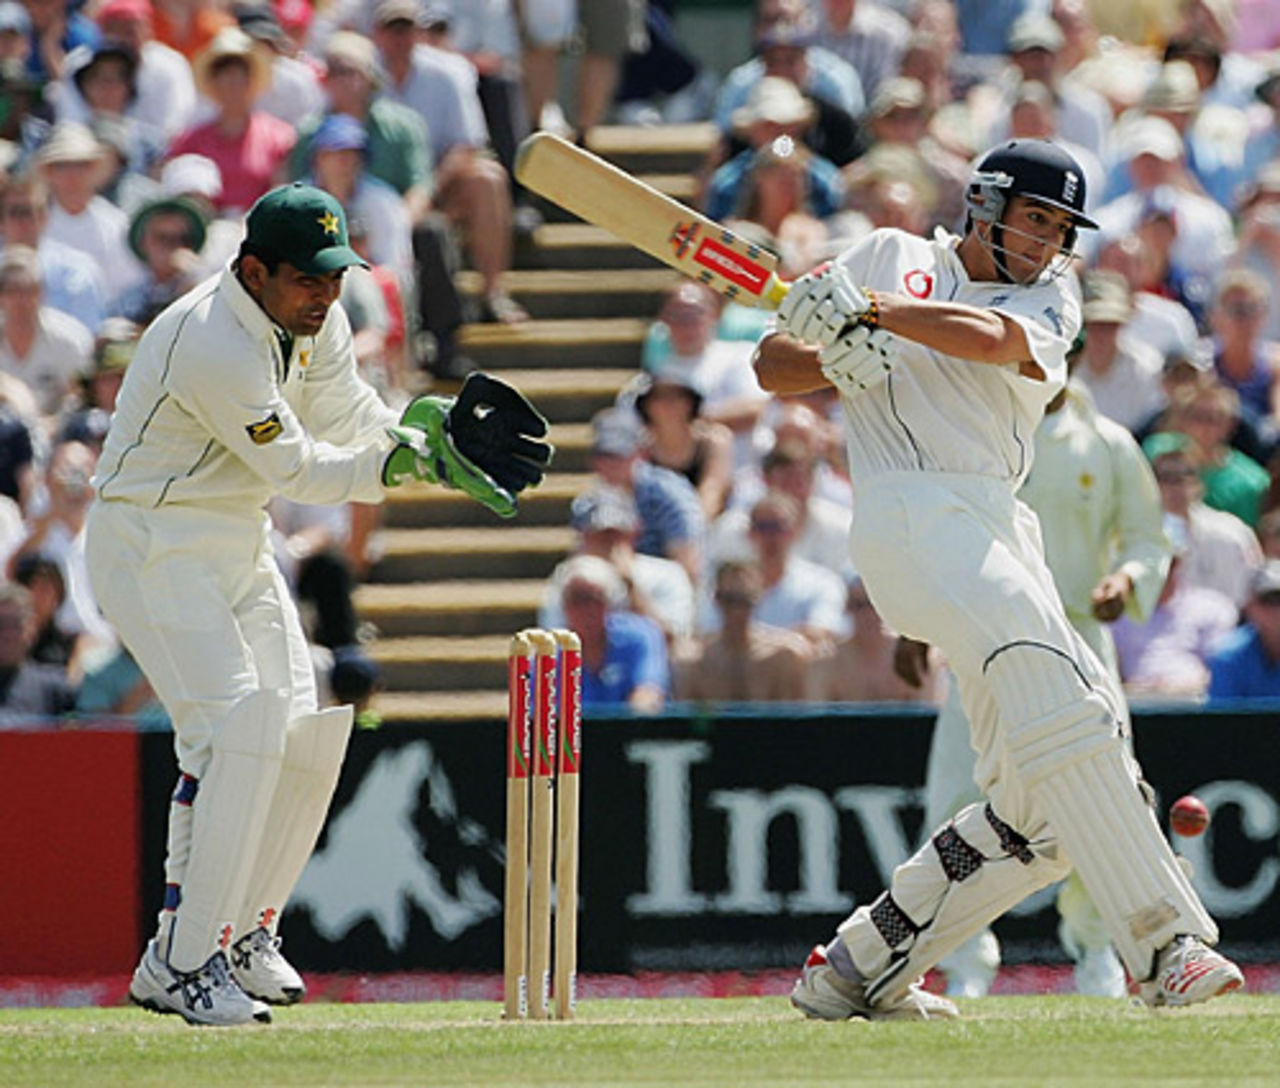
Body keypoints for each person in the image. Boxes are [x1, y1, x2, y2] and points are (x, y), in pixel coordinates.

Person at [754, 137, 1243, 1020]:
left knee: (1038, 816)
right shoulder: (891, 257)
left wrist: (874, 320)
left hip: (995, 524)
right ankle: (1165, 945)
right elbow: (768, 365)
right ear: (984, 205)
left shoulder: (1050, 298)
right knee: (1079, 710)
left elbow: (987, 338)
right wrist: (829, 354)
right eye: (1035, 218)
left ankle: (855, 968)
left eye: (1061, 227)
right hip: (908, 511)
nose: (1048, 241)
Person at [83, 183, 551, 1027]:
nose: (326, 296)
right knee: (235, 729)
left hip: (235, 538)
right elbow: (297, 468)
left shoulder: (316, 318)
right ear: (255, 271)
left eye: (335, 278)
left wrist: (419, 434)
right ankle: (182, 960)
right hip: (151, 544)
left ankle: (244, 933)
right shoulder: (211, 343)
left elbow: (348, 413)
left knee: (306, 728)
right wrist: (413, 469)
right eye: (308, 281)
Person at [914, 333, 1173, 999]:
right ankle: (963, 959)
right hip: (983, 639)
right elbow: (932, 533)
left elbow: (1148, 537)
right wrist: (910, 618)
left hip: (1082, 640)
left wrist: (1126, 578)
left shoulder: (1107, 442)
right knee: (958, 799)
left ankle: (1098, 952)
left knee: (1104, 797)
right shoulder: (976, 434)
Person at [672, 558, 812, 703]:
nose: (737, 611)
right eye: (729, 600)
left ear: (760, 597)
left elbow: (795, 716)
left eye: (745, 600)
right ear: (717, 600)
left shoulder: (783, 655)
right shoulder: (695, 659)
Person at [556, 553, 668, 713]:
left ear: (611, 602)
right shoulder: (548, 657)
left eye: (595, 599)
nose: (586, 609)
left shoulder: (640, 636)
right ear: (564, 606)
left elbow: (649, 694)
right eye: (577, 599)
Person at [1208, 559, 1280, 699]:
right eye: (1271, 600)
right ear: (1250, 606)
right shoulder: (1227, 658)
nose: (1278, 610)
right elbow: (1222, 718)